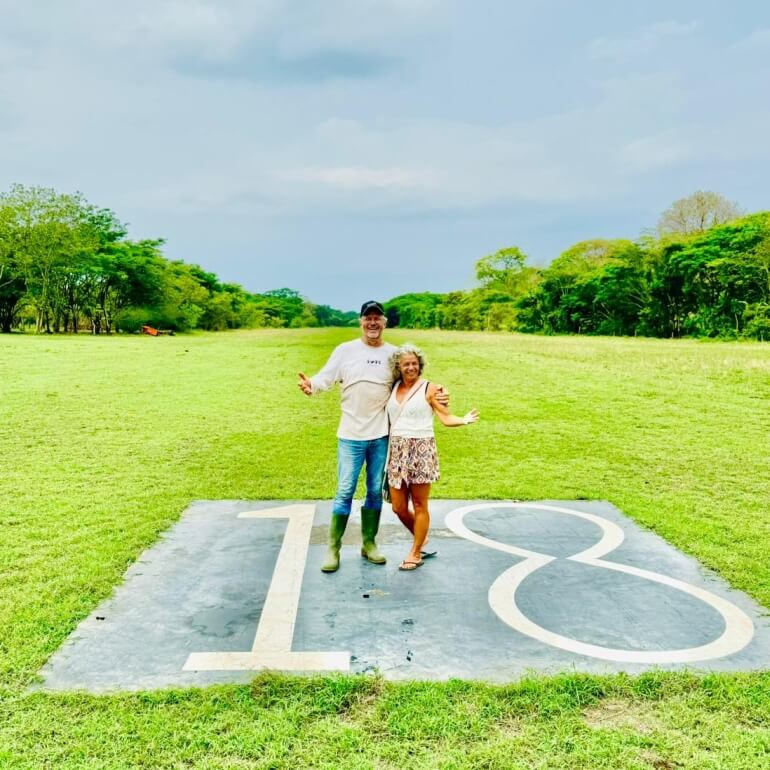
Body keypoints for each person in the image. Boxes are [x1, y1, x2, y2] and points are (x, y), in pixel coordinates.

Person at [298, 302, 449, 573]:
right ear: (360, 322)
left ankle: (369, 544)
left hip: (381, 436)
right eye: (368, 318)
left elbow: (411, 381)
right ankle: (333, 548)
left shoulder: (393, 355)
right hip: (350, 434)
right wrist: (312, 385)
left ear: (385, 322)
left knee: (373, 494)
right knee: (344, 491)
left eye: (377, 318)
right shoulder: (345, 351)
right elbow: (326, 377)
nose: (372, 323)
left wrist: (439, 393)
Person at [387, 343, 479, 571]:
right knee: (398, 507)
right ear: (398, 366)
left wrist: (464, 419)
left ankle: (416, 552)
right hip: (397, 450)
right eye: (406, 364)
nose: (411, 368)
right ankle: (422, 536)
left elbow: (446, 418)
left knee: (419, 504)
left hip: (421, 450)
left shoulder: (430, 388)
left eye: (415, 364)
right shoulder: (393, 387)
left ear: (420, 366)